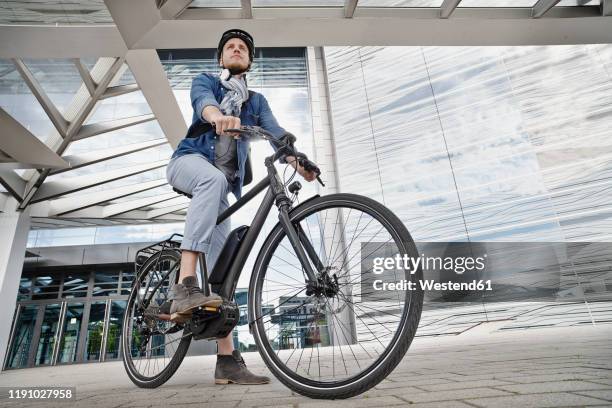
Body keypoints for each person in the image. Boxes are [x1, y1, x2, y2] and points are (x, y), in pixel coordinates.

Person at [164, 29, 317, 385]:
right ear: (222, 59)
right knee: (213, 180)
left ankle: (227, 360)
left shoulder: (256, 102)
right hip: (190, 163)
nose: (236, 49)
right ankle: (185, 283)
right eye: (230, 47)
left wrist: (298, 162)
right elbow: (202, 101)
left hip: (220, 193)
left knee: (222, 276)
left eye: (243, 48)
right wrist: (216, 115)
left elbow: (276, 132)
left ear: (249, 61)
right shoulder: (207, 82)